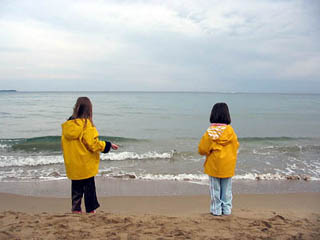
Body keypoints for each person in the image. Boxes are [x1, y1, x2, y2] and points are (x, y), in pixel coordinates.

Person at [61, 97, 118, 214]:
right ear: (89, 111)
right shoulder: (86, 125)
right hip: (86, 165)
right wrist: (108, 145)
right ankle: (90, 210)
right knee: (89, 189)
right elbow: (93, 144)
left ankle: (76, 209)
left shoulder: (68, 126)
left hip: (73, 164)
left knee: (76, 188)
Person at [198, 102, 239, 216]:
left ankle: (216, 210)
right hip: (228, 165)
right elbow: (236, 146)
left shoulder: (210, 132)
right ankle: (226, 210)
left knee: (215, 189)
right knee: (227, 190)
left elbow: (203, 148)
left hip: (214, 165)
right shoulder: (231, 131)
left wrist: (207, 151)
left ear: (213, 114)